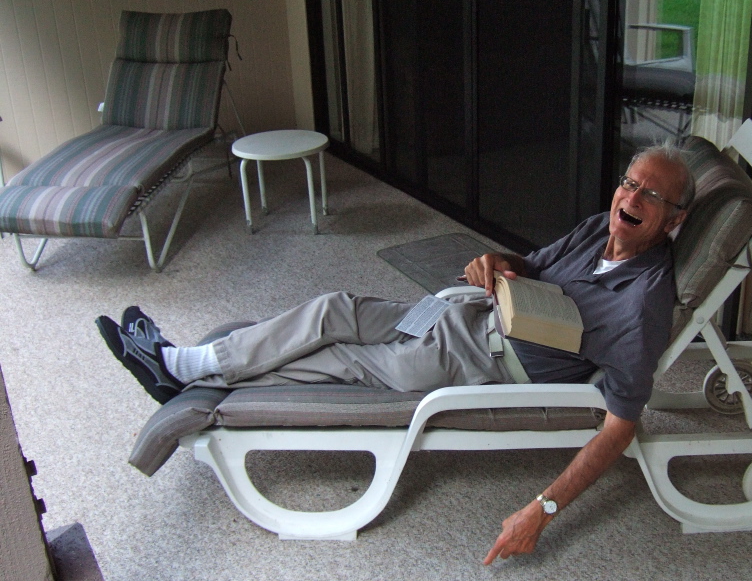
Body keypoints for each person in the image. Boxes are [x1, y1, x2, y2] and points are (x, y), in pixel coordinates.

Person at [97, 141, 694, 563]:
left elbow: (620, 426)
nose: (633, 196)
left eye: (653, 195)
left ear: (673, 220)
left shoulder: (641, 307)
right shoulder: (599, 228)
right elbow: (529, 268)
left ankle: (184, 372)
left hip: (476, 362)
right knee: (337, 309)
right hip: (467, 309)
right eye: (630, 181)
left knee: (342, 362)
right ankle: (190, 365)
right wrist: (496, 262)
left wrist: (542, 509)